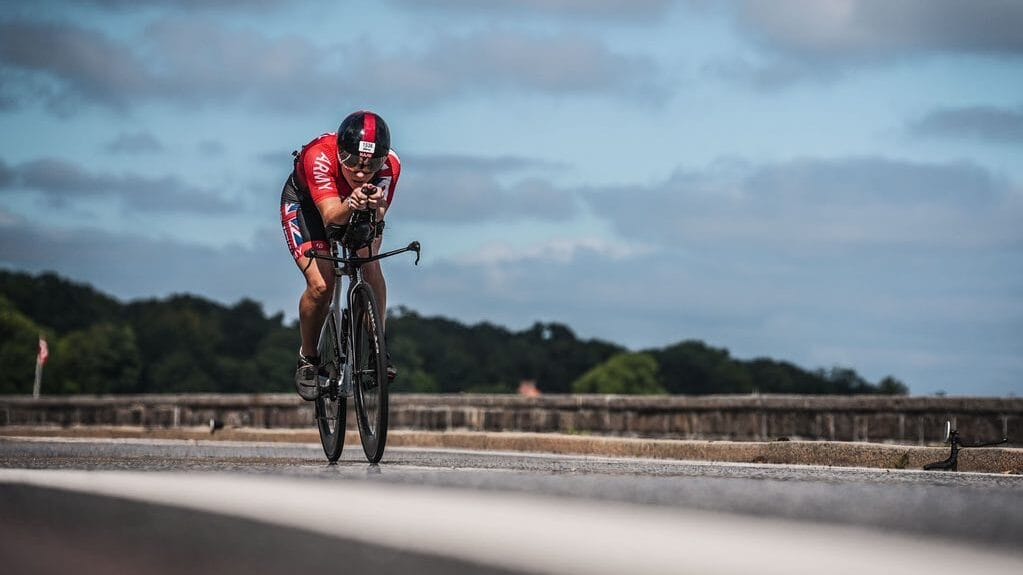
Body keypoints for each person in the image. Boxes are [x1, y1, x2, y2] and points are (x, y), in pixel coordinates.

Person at [279, 110, 400, 400]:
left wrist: (372, 208)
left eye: (371, 165)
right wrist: (351, 203)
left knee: (369, 263)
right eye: (351, 161)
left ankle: (378, 347)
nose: (360, 172)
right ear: (339, 152)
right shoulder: (319, 156)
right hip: (309, 207)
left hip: (353, 207)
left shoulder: (391, 165)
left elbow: (378, 218)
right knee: (322, 285)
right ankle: (309, 358)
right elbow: (332, 217)